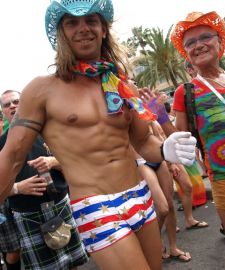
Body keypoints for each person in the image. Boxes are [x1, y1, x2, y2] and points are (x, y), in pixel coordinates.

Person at [0, 1, 197, 269]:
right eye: (72, 22)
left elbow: (141, 141)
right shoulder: (41, 90)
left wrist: (165, 150)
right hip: (95, 205)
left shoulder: (122, 85)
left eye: (91, 20)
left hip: (139, 195)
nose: (83, 28)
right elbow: (11, 157)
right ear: (62, 33)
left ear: (103, 29)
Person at [141, 11, 225, 270]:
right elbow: (179, 139)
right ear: (186, 53)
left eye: (205, 37)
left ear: (220, 41)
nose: (198, 45)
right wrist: (159, 115)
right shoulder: (186, 92)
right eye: (190, 43)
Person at [0, 90, 89, 269]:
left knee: (73, 263)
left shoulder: (49, 132)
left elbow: (77, 164)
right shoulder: (1, 145)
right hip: (28, 215)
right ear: (2, 111)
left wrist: (53, 161)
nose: (12, 106)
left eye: (16, 101)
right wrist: (18, 188)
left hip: (60, 206)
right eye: (6, 104)